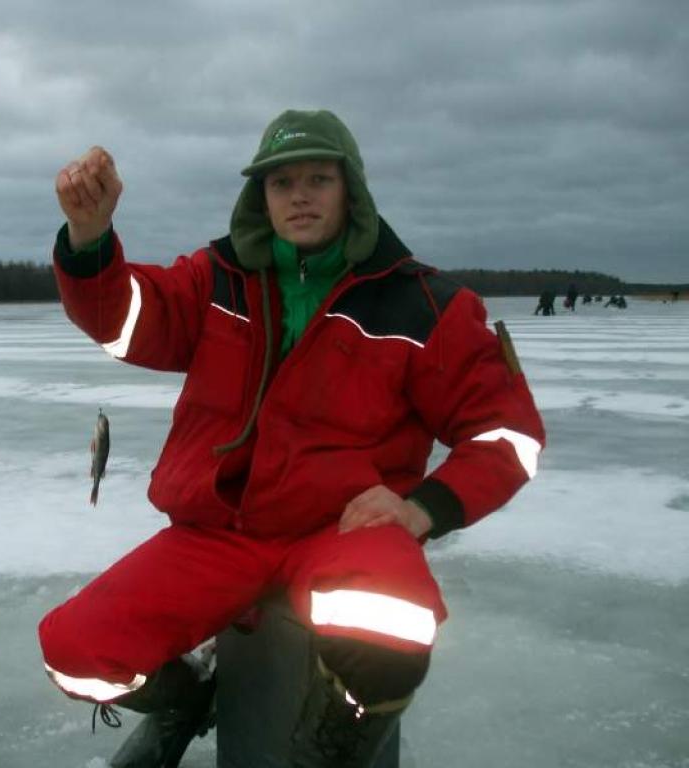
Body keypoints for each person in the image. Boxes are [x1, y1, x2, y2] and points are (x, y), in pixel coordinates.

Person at [38, 110, 546, 768]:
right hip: (217, 534)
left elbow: (507, 433)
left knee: (392, 625)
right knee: (76, 651)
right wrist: (90, 234)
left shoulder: (426, 305)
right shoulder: (216, 277)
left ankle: (335, 741)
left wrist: (424, 507)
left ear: (350, 190)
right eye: (282, 183)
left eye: (318, 179)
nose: (299, 195)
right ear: (261, 196)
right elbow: (126, 319)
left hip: (342, 530)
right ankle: (186, 698)